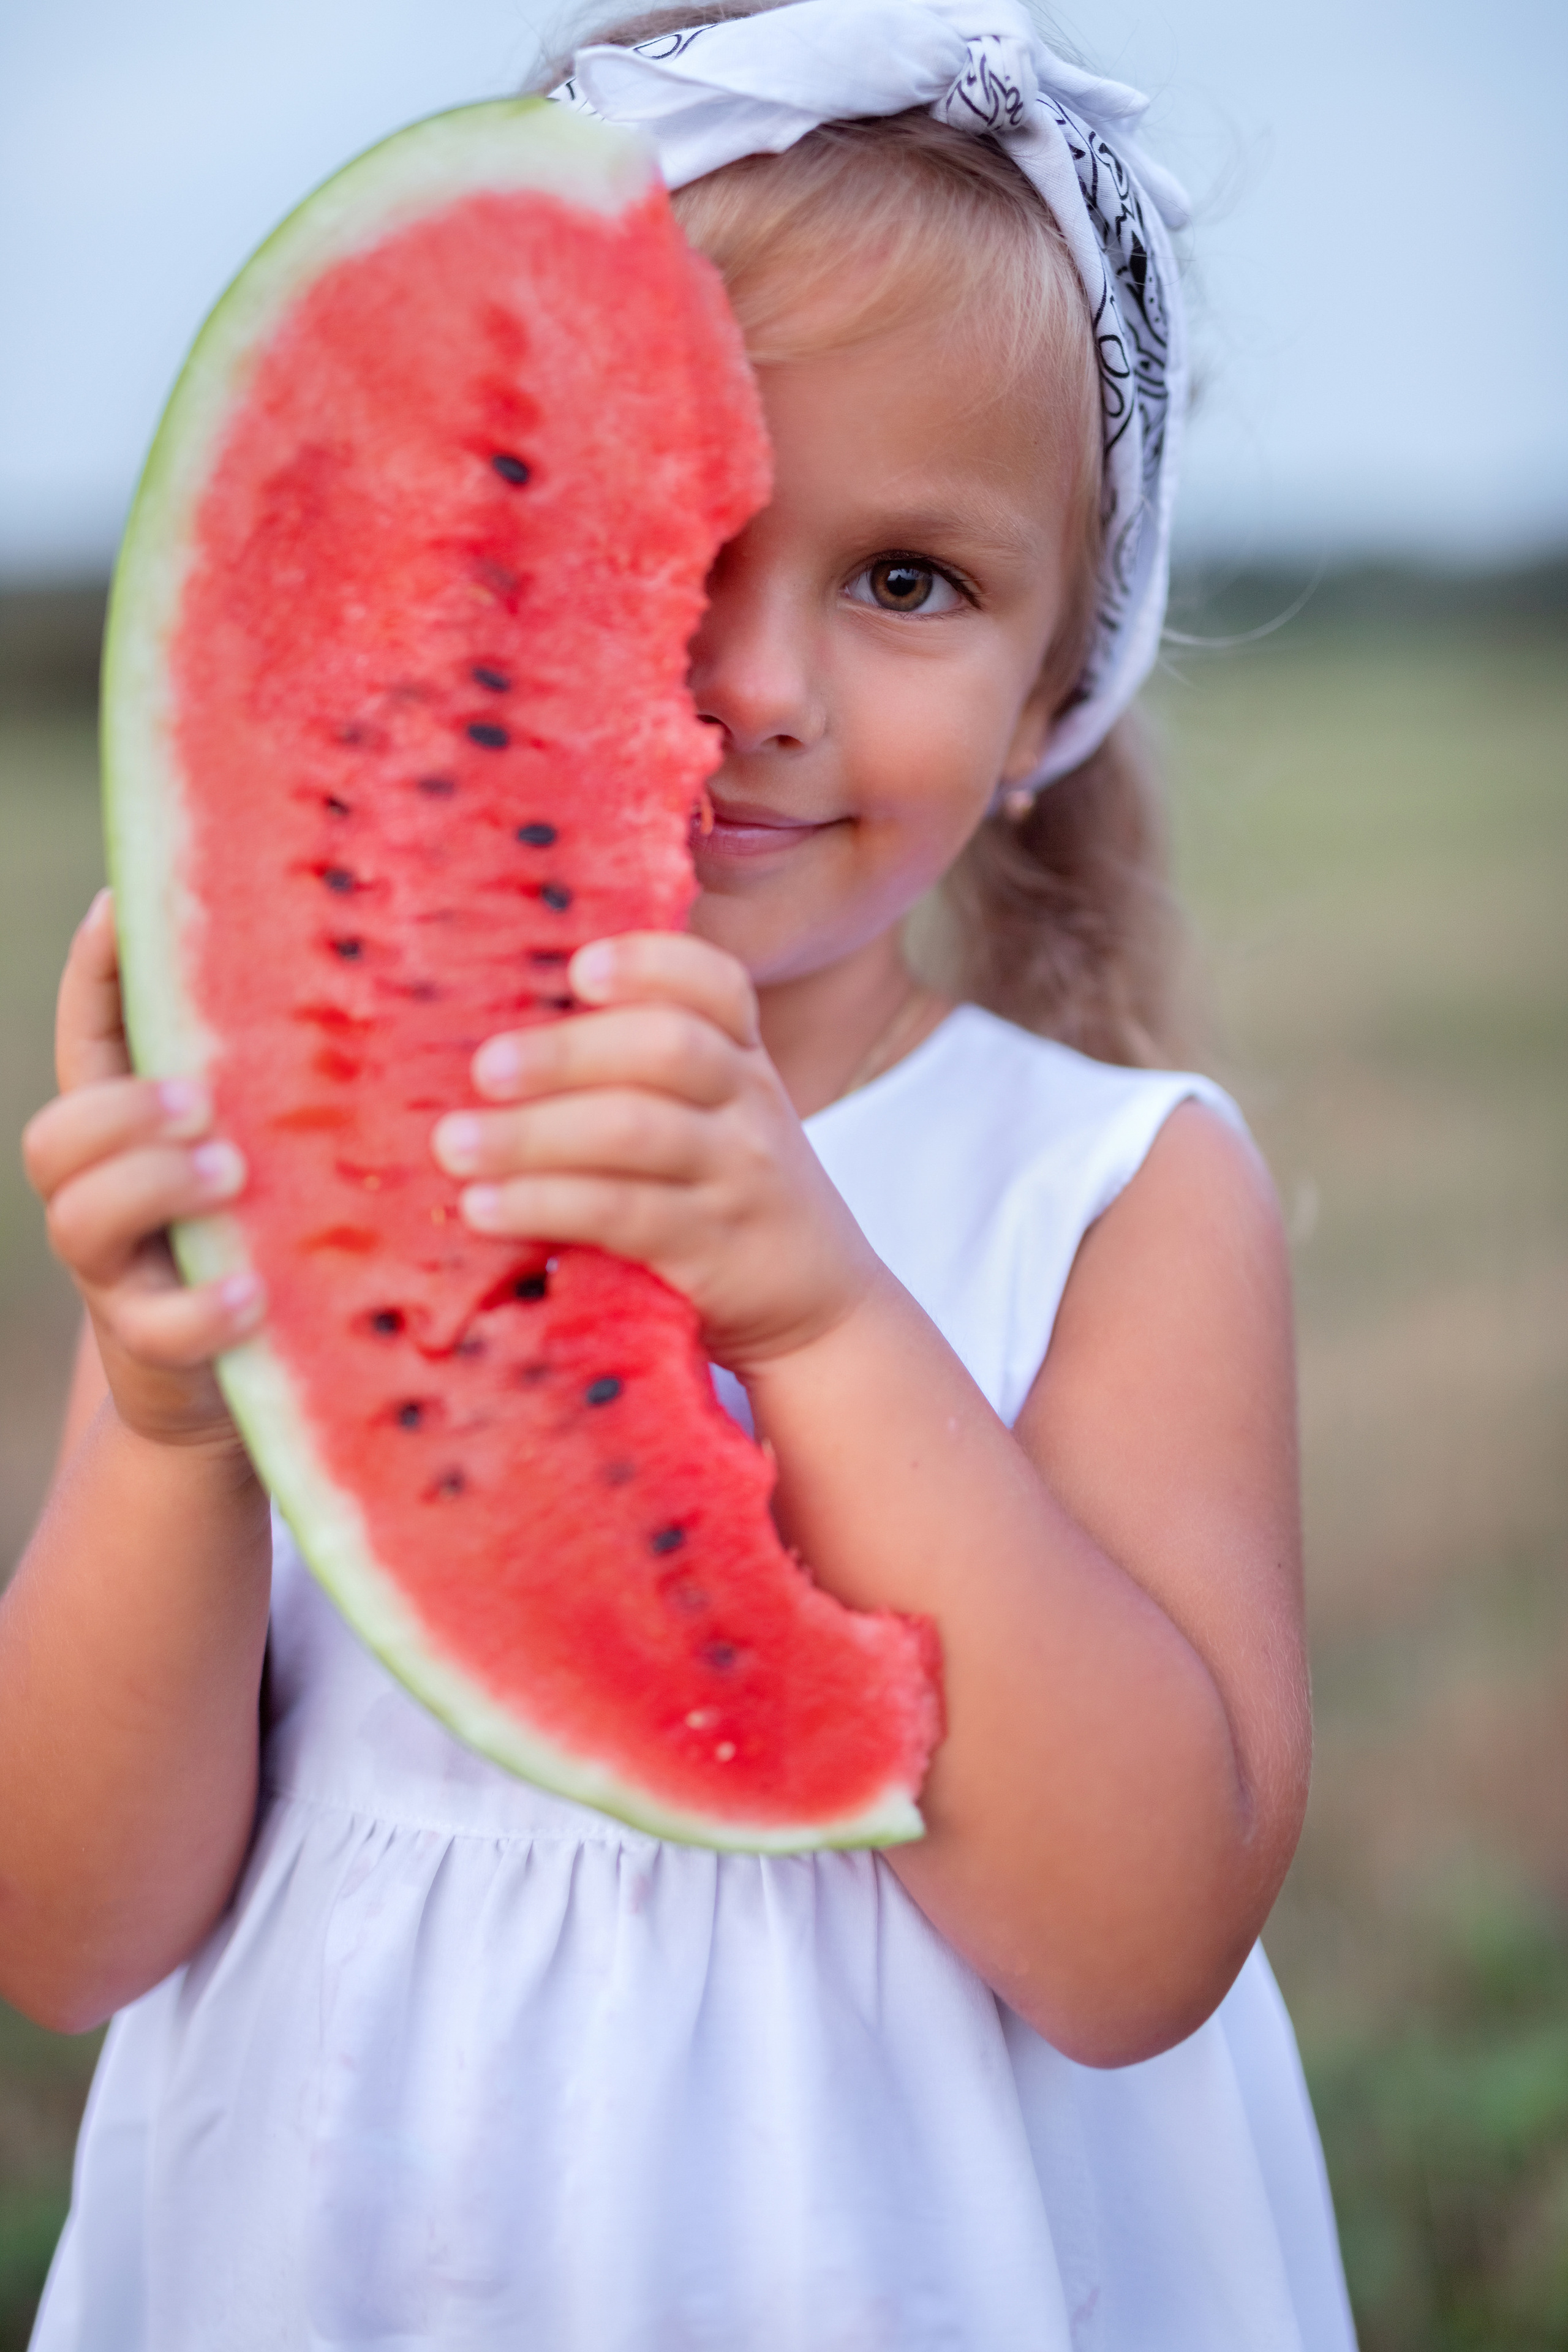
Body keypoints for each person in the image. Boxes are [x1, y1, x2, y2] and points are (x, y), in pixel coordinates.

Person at [8, 1, 1357, 2343]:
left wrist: (820, 1317)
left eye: (911, 581)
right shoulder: (309, 1122)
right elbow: (64, 1927)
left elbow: (1143, 1943)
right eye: (673, 536)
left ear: (1061, 703)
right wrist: (171, 1430)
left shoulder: (1121, 1189)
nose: (752, 680)